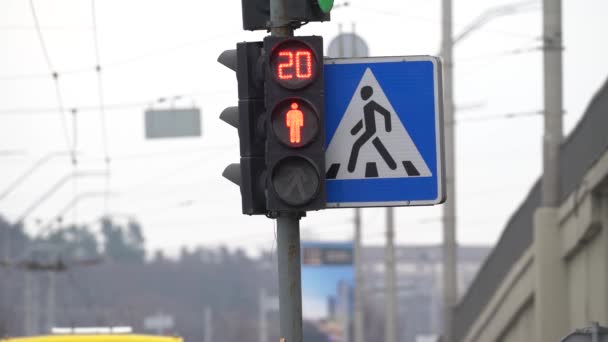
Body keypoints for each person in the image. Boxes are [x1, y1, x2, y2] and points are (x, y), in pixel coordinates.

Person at [348, 85, 397, 172]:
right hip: (369, 131)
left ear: (368, 94)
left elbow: (386, 113)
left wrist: (388, 128)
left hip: (371, 131)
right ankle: (393, 165)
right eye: (361, 93)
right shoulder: (366, 106)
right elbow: (364, 120)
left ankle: (350, 169)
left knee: (356, 145)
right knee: (380, 147)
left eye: (363, 93)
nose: (362, 95)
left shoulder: (372, 104)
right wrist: (354, 130)